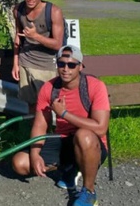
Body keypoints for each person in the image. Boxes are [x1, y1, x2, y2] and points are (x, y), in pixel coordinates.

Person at [11, 45, 110, 206]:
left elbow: (100, 128)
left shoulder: (95, 86)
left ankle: (89, 192)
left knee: (83, 135)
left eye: (71, 65)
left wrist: (64, 114)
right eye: (61, 64)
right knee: (20, 163)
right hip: (63, 140)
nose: (65, 69)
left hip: (91, 145)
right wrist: (35, 154)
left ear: (80, 66)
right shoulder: (49, 88)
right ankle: (69, 171)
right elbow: (40, 125)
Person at [12, 0, 65, 113]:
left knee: (47, 105)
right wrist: (15, 62)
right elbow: (18, 37)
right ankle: (35, 134)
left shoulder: (54, 12)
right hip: (25, 62)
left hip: (47, 65)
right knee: (30, 105)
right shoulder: (18, 10)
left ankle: (48, 133)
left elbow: (57, 44)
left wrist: (36, 36)